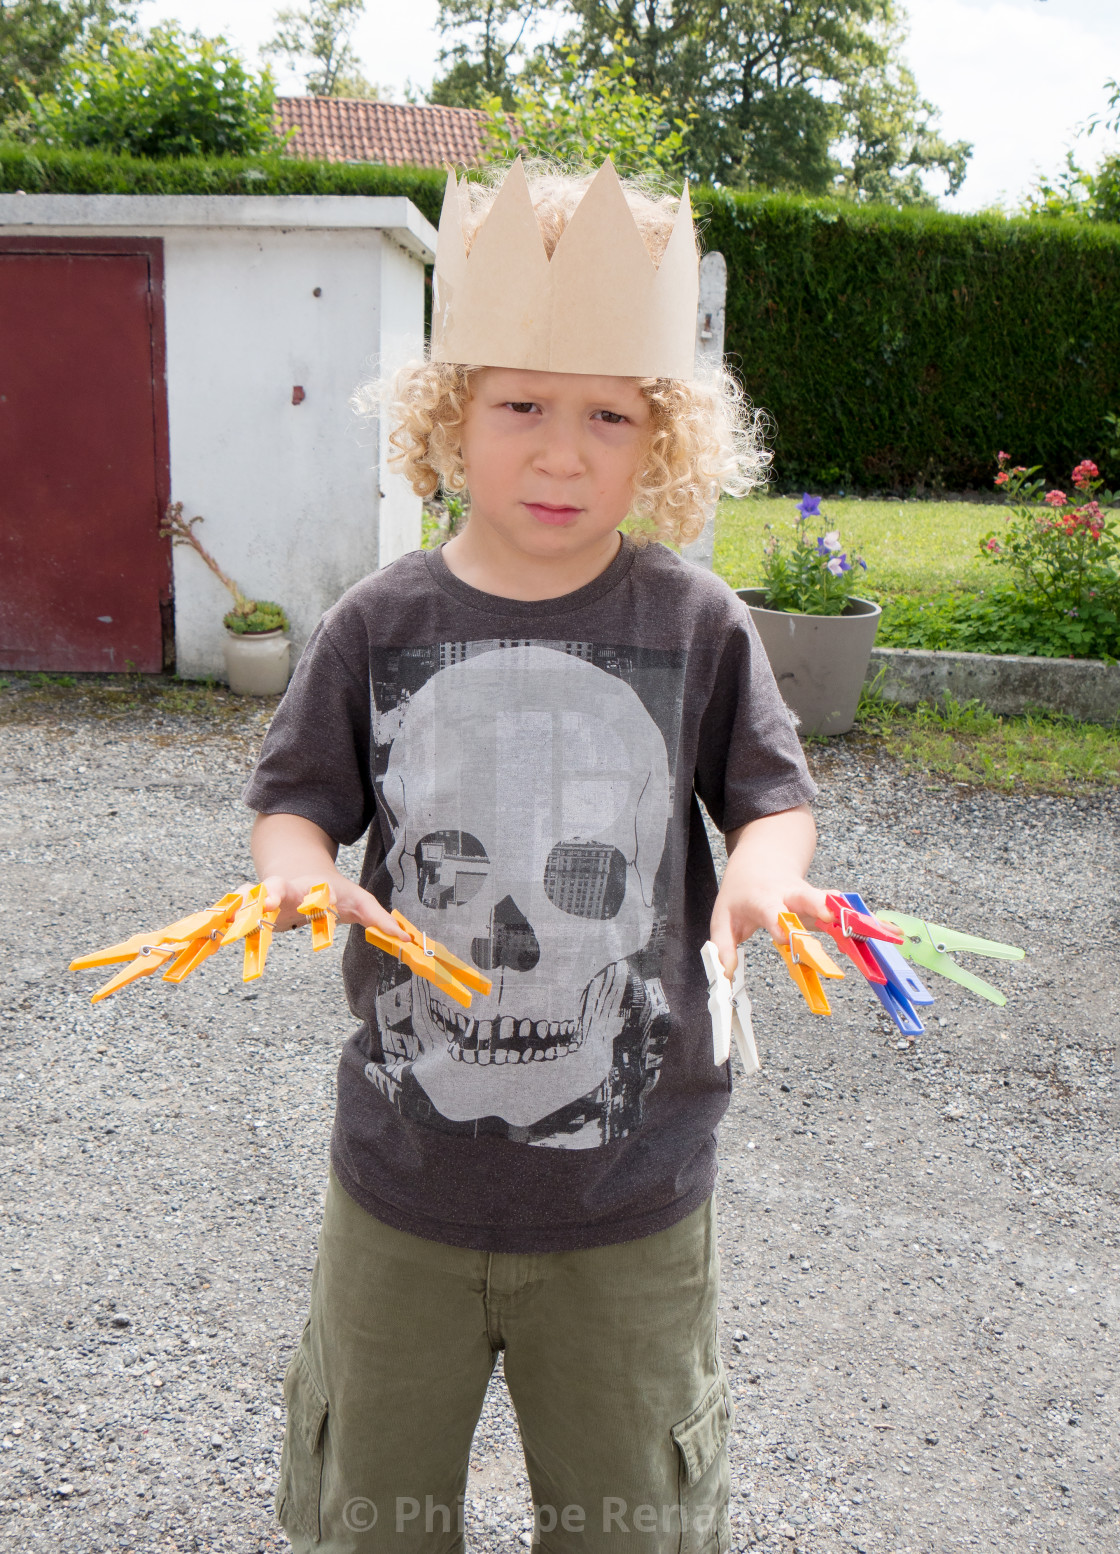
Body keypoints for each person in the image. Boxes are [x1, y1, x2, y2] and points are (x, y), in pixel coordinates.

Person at [244, 158, 828, 1554]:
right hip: (401, 1183)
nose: (562, 453)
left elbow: (773, 796)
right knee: (372, 1509)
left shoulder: (696, 622)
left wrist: (766, 871)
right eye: (520, 406)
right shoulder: (375, 624)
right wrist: (295, 864)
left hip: (633, 1197)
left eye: (609, 418)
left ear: (663, 439)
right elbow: (297, 798)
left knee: (632, 1512)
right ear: (449, 416)